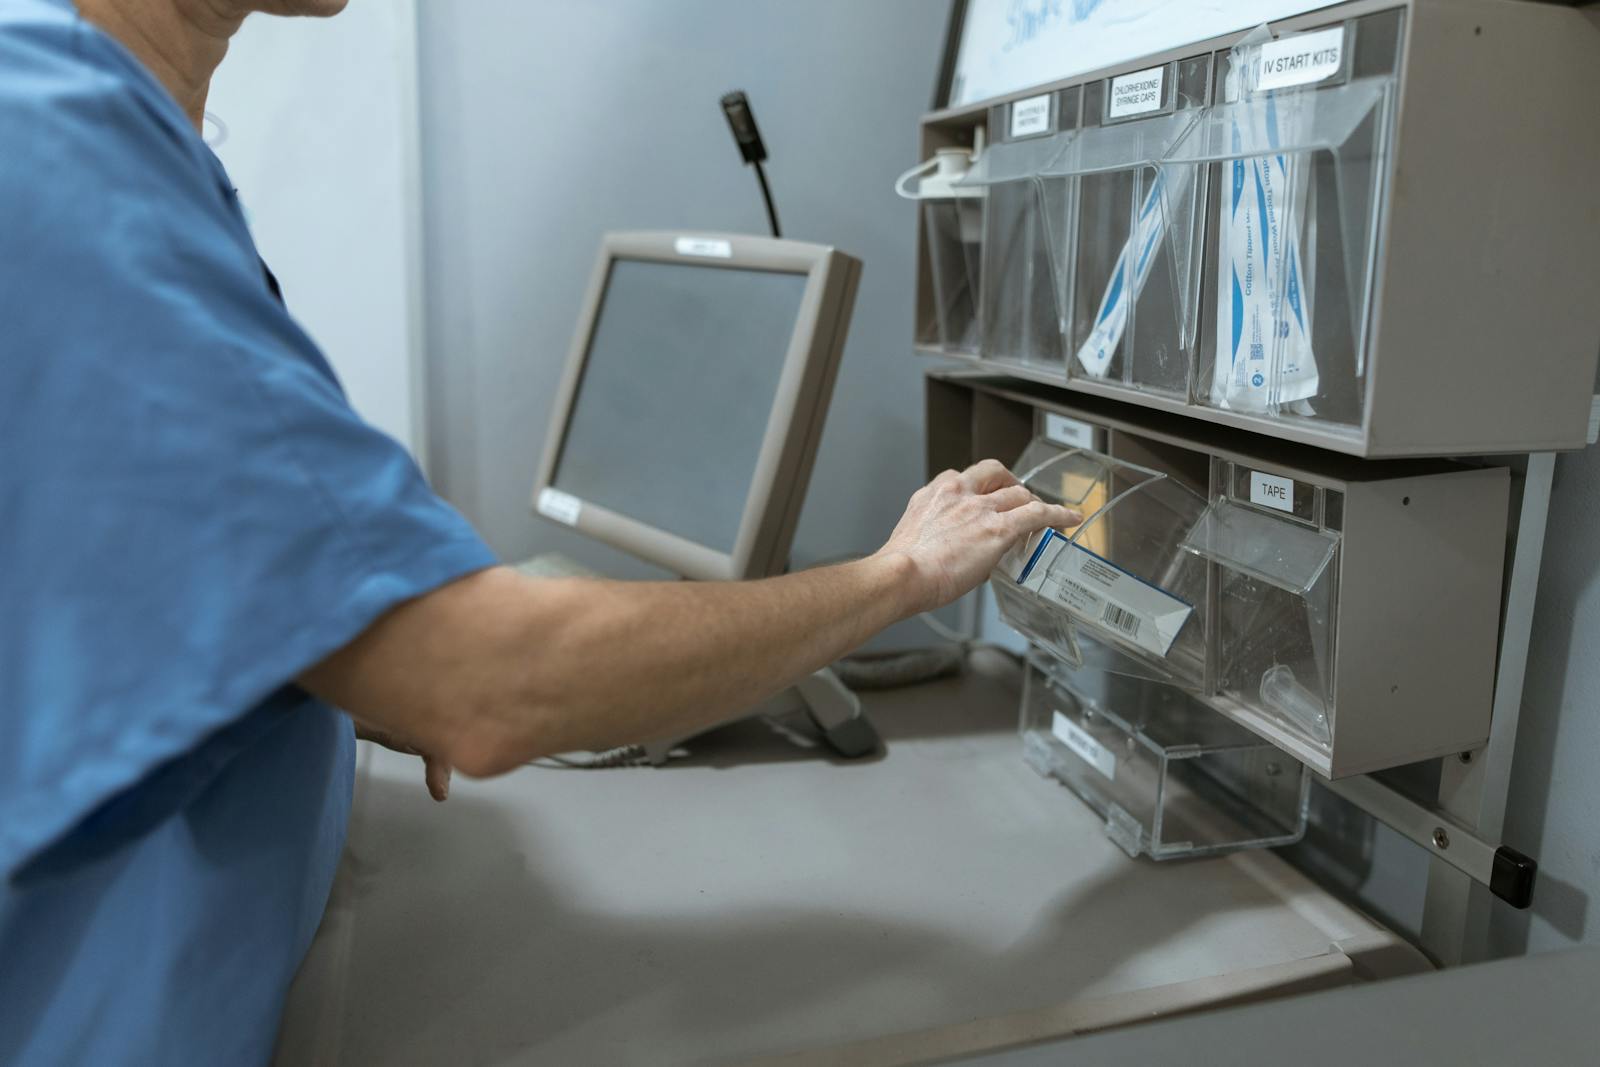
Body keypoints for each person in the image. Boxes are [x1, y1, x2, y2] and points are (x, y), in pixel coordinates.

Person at [0, 0, 1080, 1062]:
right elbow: (492, 683)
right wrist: (896, 573)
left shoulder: (133, 143)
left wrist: (321, 660)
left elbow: (109, 575)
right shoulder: (48, 135)